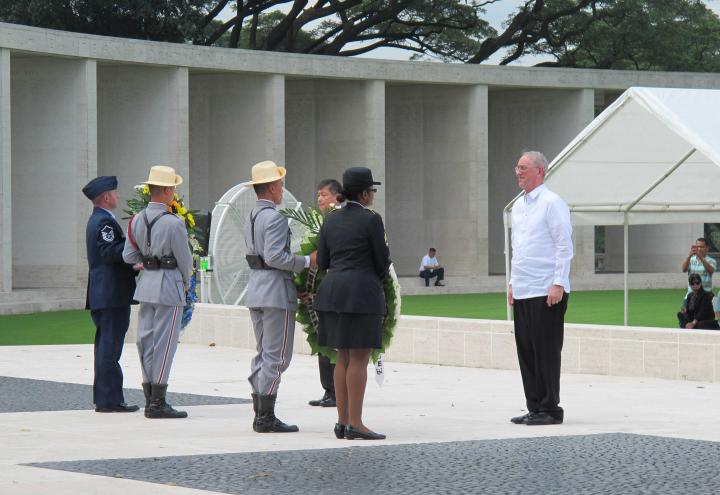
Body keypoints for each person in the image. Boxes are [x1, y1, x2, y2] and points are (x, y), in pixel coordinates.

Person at [314, 166, 391, 440]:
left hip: (332, 291)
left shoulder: (330, 220)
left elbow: (322, 261)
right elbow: (382, 261)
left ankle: (342, 420)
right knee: (359, 358)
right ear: (364, 193)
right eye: (371, 190)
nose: (373, 194)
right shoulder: (371, 219)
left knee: (343, 357)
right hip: (360, 294)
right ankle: (356, 423)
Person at [242, 160, 315, 433]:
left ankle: (261, 410)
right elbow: (275, 257)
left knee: (264, 354)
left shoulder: (252, 216)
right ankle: (265, 416)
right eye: (280, 184)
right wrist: (308, 261)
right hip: (274, 291)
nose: (282, 189)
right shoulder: (274, 217)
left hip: (257, 288)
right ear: (272, 187)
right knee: (277, 356)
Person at [508, 151, 573, 426]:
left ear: (539, 171)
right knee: (526, 349)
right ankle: (534, 405)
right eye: (517, 167)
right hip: (524, 287)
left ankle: (550, 408)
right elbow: (517, 248)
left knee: (546, 350)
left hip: (546, 288)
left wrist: (558, 282)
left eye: (523, 168)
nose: (518, 172)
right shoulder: (518, 206)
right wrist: (512, 282)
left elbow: (563, 245)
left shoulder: (552, 203)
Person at [122, 165, 193, 419]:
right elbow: (185, 260)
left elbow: (128, 255)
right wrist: (187, 285)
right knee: (164, 344)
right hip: (169, 285)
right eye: (172, 187)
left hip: (147, 285)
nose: (174, 192)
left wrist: (146, 261)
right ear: (165, 190)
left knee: (146, 342)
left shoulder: (137, 219)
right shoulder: (174, 223)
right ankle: (158, 402)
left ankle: (150, 395)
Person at [82, 176, 139, 413]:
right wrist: (135, 250)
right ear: (106, 197)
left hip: (105, 292)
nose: (118, 197)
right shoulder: (103, 222)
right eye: (115, 193)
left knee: (107, 346)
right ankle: (110, 400)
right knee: (110, 348)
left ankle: (107, 398)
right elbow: (109, 251)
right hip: (111, 293)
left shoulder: (100, 219)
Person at [308, 178, 344, 408]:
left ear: (337, 196)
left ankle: (338, 391)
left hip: (339, 291)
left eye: (324, 194)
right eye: (318, 195)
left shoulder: (342, 221)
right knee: (322, 340)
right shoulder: (316, 224)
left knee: (337, 343)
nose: (320, 199)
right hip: (321, 293)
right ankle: (328, 389)